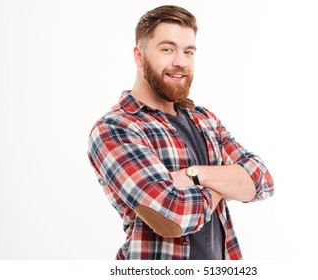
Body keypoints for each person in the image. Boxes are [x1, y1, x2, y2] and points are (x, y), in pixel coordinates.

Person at [88, 5, 274, 260]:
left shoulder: (203, 119)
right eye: (167, 49)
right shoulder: (117, 128)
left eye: (188, 51)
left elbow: (262, 179)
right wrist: (228, 184)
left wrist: (193, 175)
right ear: (139, 55)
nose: (180, 62)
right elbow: (172, 215)